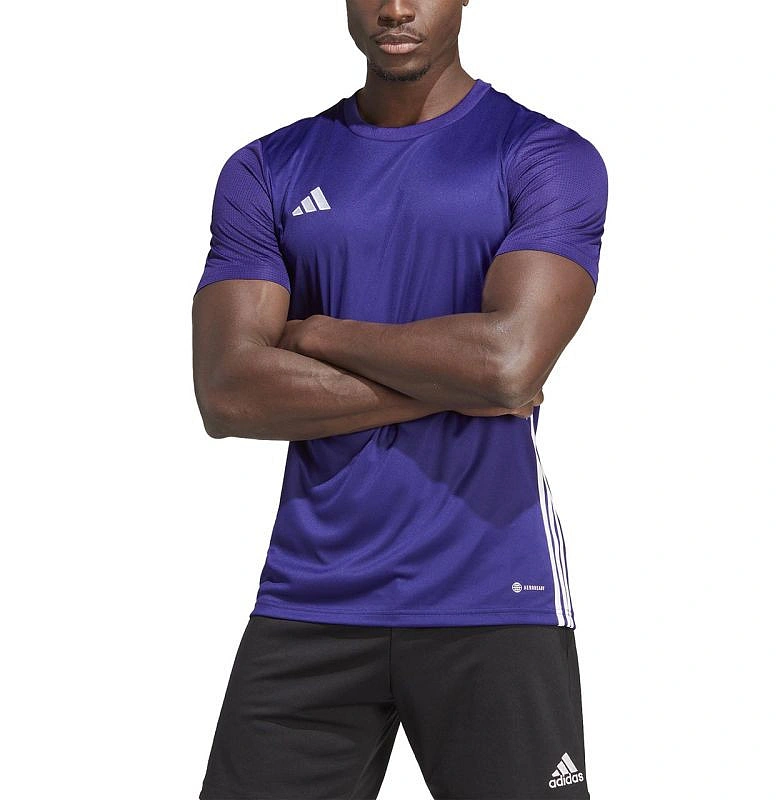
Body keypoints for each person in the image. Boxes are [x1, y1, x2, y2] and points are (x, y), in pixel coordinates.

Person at [191, 1, 607, 797]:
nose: (395, 7)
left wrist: (319, 333)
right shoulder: (267, 168)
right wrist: (459, 383)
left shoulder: (542, 155)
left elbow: (508, 362)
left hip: (492, 590)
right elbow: (229, 392)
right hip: (312, 591)